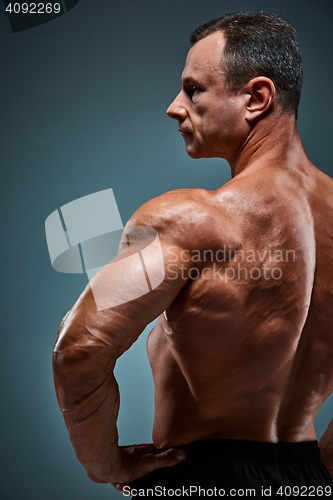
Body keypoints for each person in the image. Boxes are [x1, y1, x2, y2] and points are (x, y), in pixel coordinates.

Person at [53, 11, 333, 499]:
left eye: (194, 89)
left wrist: (105, 463)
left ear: (257, 98)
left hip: (201, 479)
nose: (174, 107)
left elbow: (79, 350)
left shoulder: (190, 219)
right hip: (309, 481)